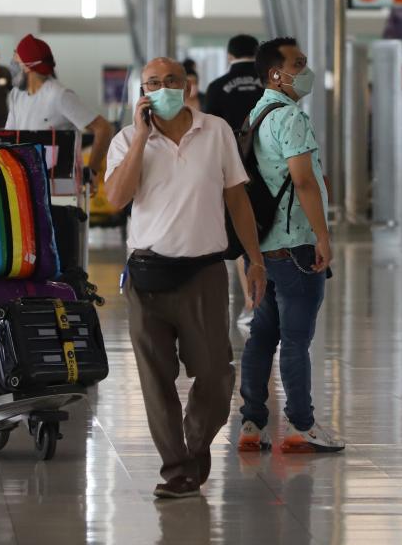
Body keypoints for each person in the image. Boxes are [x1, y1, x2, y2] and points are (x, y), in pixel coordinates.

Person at [103, 57, 266, 500]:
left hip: (204, 273)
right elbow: (116, 198)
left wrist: (255, 259)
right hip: (147, 275)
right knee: (156, 380)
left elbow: (237, 199)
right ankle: (177, 469)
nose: (162, 88)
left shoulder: (216, 132)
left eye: (170, 81)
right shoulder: (124, 140)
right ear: (142, 91)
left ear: (187, 85)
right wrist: (141, 136)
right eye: (153, 83)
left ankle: (194, 447)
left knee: (216, 374)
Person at [236, 37, 344, 455]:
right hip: (296, 245)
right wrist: (323, 235)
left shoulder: (256, 113)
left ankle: (252, 423)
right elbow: (302, 181)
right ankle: (301, 424)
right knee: (296, 340)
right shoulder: (291, 116)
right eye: (298, 64)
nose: (305, 70)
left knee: (263, 336)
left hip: (263, 248)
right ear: (276, 74)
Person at [4, 35, 113, 173]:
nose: (12, 64)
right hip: (26, 180)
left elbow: (104, 129)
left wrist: (92, 171)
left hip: (59, 186)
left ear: (27, 66)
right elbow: (7, 139)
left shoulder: (58, 95)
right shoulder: (16, 95)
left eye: (16, 59)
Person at [202, 35, 265, 135]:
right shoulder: (271, 83)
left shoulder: (216, 86)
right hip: (269, 146)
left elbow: (209, 123)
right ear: (257, 54)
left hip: (230, 145)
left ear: (229, 56)